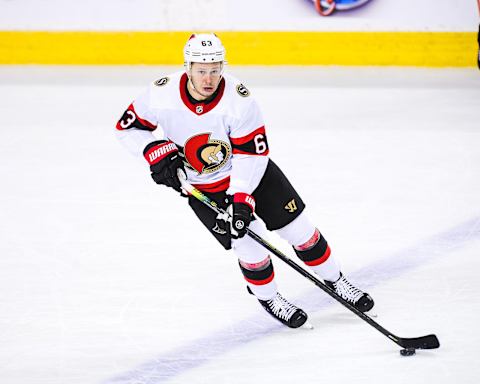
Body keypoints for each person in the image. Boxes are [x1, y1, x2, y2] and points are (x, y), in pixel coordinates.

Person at [115, 33, 374, 328]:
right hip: (204, 189)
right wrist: (154, 151)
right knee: (250, 248)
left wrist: (240, 195)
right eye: (201, 70)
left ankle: (336, 281)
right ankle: (270, 298)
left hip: (254, 175)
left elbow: (251, 154)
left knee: (300, 231)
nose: (208, 78)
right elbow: (127, 128)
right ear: (187, 67)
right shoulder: (161, 94)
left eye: (214, 70)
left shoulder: (238, 100)